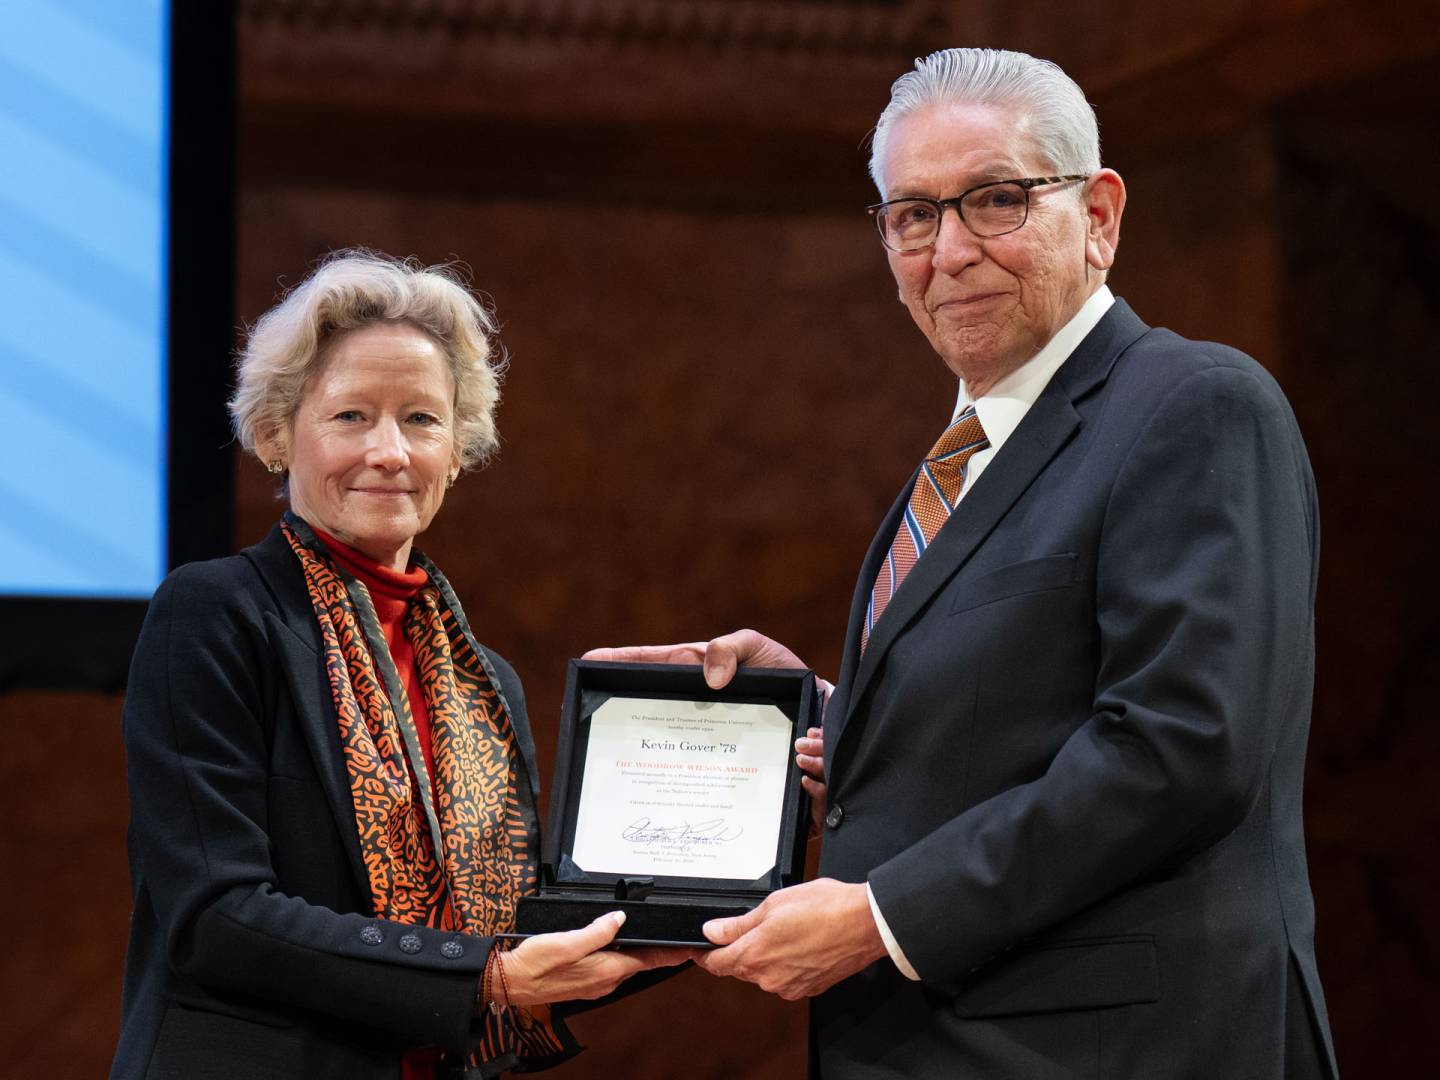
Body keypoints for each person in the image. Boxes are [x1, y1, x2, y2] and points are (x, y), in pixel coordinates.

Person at [589, 48, 1338, 1078]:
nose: (949, 252)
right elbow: (1025, 716)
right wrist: (830, 724)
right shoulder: (966, 453)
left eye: (995, 201)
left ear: (1101, 216)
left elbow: (1178, 749)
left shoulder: (1194, 404)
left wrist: (881, 917)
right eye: (911, 215)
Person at [112, 250, 686, 1080]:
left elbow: (518, 952)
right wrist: (486, 974)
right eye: (350, 416)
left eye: (421, 419)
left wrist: (700, 904)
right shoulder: (216, 614)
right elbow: (216, 917)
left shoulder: (485, 683)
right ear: (276, 436)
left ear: (457, 450)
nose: (389, 451)